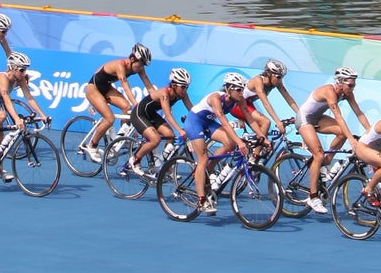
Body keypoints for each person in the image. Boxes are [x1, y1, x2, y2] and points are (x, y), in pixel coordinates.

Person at [183, 72, 263, 215]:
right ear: (228, 89)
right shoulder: (216, 98)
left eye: (242, 89)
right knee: (203, 158)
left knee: (230, 144)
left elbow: (249, 118)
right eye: (238, 89)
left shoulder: (239, 99)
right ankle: (201, 200)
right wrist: (240, 142)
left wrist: (262, 135)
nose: (241, 92)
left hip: (207, 122)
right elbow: (225, 123)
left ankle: (209, 169)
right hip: (194, 122)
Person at [295, 66, 371, 215]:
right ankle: (313, 196)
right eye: (350, 84)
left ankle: (326, 164)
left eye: (354, 84)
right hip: (304, 120)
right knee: (318, 155)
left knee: (341, 134)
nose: (353, 87)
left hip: (317, 118)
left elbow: (359, 113)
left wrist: (371, 133)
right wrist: (351, 139)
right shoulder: (330, 91)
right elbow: (338, 117)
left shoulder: (347, 93)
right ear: (340, 82)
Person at [82, 43, 157, 161]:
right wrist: (137, 105)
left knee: (127, 107)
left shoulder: (139, 67)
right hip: (94, 89)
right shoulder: (120, 65)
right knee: (110, 119)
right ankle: (92, 145)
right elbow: (126, 87)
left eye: (143, 65)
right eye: (140, 64)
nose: (140, 67)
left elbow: (147, 84)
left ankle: (122, 139)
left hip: (106, 88)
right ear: (132, 59)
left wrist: (158, 101)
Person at [0, 52, 50, 160]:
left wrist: (43, 115)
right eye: (21, 70)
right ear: (12, 67)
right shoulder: (3, 78)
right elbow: (7, 101)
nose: (24, 73)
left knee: (1, 148)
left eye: (25, 70)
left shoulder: (20, 80)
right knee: (2, 115)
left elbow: (29, 98)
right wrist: (16, 119)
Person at [126, 67, 194, 177]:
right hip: (139, 114)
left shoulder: (183, 94)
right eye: (183, 87)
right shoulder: (164, 94)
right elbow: (168, 115)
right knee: (155, 139)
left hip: (151, 114)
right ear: (173, 85)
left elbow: (192, 110)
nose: (185, 90)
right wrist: (180, 130)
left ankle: (163, 166)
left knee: (170, 135)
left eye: (187, 87)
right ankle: (135, 160)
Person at [228, 58, 299, 139]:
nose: (280, 80)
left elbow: (288, 98)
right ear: (269, 74)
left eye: (282, 77)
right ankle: (256, 152)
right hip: (237, 105)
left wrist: (300, 114)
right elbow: (266, 103)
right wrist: (278, 122)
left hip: (248, 105)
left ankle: (254, 149)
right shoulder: (258, 81)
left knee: (260, 136)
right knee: (266, 122)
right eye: (278, 77)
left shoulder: (277, 82)